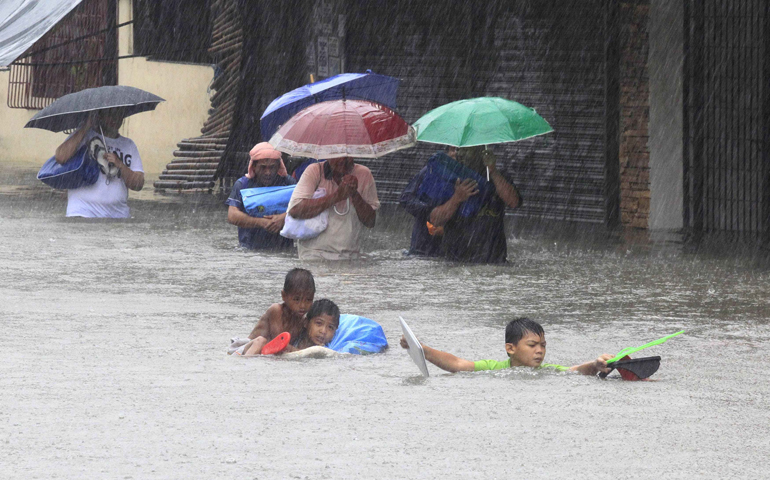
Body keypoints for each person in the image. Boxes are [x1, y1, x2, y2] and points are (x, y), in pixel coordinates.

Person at [404, 146, 522, 263]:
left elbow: (513, 202)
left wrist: (493, 171)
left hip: (494, 259)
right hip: (456, 262)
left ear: (480, 152)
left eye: (466, 150)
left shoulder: (497, 176)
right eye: (458, 150)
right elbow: (435, 219)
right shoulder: (446, 178)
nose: (460, 154)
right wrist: (457, 198)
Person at [400, 317, 614, 375]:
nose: (540, 350)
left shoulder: (549, 372)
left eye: (543, 345)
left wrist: (595, 365)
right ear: (510, 348)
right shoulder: (494, 368)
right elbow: (457, 364)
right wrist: (422, 348)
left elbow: (575, 370)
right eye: (532, 345)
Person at [54, 108, 144, 218]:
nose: (115, 118)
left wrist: (120, 165)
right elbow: (60, 157)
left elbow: (138, 184)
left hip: (118, 215)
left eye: (119, 114)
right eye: (110, 114)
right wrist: (86, 127)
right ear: (100, 116)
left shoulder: (129, 145)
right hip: (82, 212)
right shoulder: (83, 136)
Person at [287, 157, 380, 260]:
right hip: (313, 254)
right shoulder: (314, 170)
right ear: (328, 156)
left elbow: (370, 222)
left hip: (349, 256)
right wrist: (337, 197)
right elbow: (295, 211)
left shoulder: (364, 174)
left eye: (347, 155)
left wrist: (354, 194)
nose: (342, 160)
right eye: (337, 155)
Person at [225, 142, 296, 249]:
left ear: (278, 166)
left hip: (283, 248)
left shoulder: (288, 183)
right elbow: (232, 215)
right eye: (263, 167)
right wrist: (261, 222)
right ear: (253, 166)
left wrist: (284, 218)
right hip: (249, 249)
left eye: (272, 167)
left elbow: (304, 208)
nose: (268, 172)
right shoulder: (243, 185)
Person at [399, 146, 458, 257]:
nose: (456, 154)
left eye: (461, 151)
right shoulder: (432, 170)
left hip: (454, 253)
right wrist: (431, 214)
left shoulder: (475, 178)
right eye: (454, 150)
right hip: (422, 248)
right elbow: (406, 198)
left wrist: (448, 230)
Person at [241, 268, 315, 355]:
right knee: (261, 341)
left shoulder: (303, 322)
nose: (303, 305)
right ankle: (244, 365)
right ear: (284, 296)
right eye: (296, 299)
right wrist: (305, 352)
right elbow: (279, 344)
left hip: (265, 353)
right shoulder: (276, 310)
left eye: (308, 300)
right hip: (245, 349)